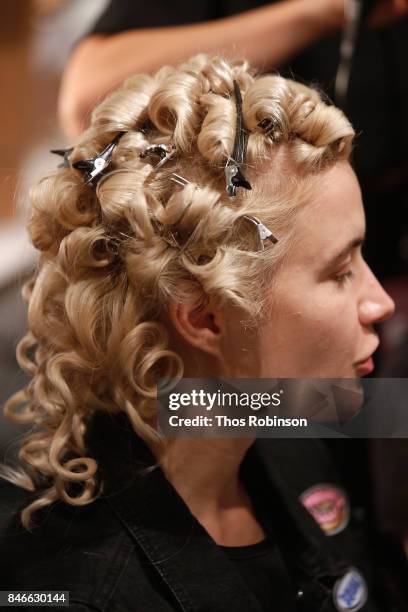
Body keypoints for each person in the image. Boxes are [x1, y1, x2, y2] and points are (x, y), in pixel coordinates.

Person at [0, 54, 406, 611]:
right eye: (339, 273)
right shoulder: (74, 586)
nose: (381, 302)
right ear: (205, 317)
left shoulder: (284, 414)